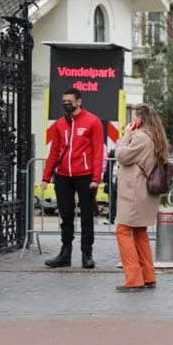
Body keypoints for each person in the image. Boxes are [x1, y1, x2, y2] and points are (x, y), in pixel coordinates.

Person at [41, 87, 105, 269]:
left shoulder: (93, 122)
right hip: (62, 176)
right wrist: (46, 177)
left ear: (79, 101)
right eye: (64, 101)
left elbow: (98, 152)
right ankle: (65, 253)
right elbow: (54, 152)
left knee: (86, 216)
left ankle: (87, 254)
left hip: (85, 176)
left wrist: (96, 177)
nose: (66, 104)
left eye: (69, 101)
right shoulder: (60, 124)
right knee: (66, 216)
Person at [114, 103, 167, 291]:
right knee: (139, 232)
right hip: (143, 191)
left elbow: (121, 156)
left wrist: (125, 136)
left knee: (122, 231)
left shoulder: (140, 137)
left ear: (139, 119)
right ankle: (147, 275)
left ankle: (133, 278)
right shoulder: (155, 136)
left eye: (133, 116)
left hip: (134, 191)